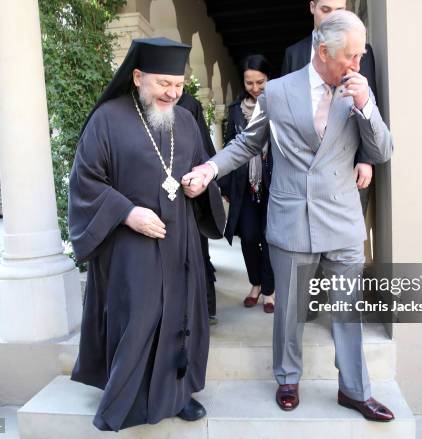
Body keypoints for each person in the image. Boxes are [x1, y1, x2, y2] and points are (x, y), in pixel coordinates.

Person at [183, 11, 395, 421]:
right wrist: (210, 169)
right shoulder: (276, 93)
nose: (356, 64)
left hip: (343, 222)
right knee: (290, 313)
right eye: (349, 57)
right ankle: (288, 378)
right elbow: (247, 143)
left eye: (359, 56)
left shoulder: (358, 91)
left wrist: (366, 105)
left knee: (347, 312)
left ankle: (355, 390)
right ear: (323, 52)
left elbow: (383, 151)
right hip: (290, 219)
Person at [68, 37, 225, 432]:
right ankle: (126, 400)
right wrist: (126, 212)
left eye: (178, 84)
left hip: (181, 240)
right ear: (138, 77)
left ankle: (178, 393)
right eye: (163, 84)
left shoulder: (187, 121)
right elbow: (85, 181)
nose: (173, 93)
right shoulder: (107, 119)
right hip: (130, 245)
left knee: (182, 316)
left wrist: (198, 184)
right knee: (140, 316)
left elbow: (201, 165)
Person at [282, 0, 376, 209]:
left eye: (339, 10)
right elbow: (284, 113)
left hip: (347, 166)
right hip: (303, 167)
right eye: (326, 10)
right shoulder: (294, 54)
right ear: (312, 7)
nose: (333, 17)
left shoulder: (361, 53)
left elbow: (369, 109)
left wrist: (366, 159)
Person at [219, 55, 275, 313]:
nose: (254, 88)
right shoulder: (234, 110)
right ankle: (255, 284)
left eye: (260, 82)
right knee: (250, 238)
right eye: (249, 82)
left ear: (269, 78)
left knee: (270, 238)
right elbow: (230, 145)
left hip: (273, 185)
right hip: (245, 186)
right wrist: (227, 186)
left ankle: (270, 290)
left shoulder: (278, 104)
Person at [176, 92, 219, 324]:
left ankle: (205, 309)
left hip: (188, 196)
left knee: (197, 254)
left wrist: (200, 181)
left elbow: (203, 151)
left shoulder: (188, 104)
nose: (171, 92)